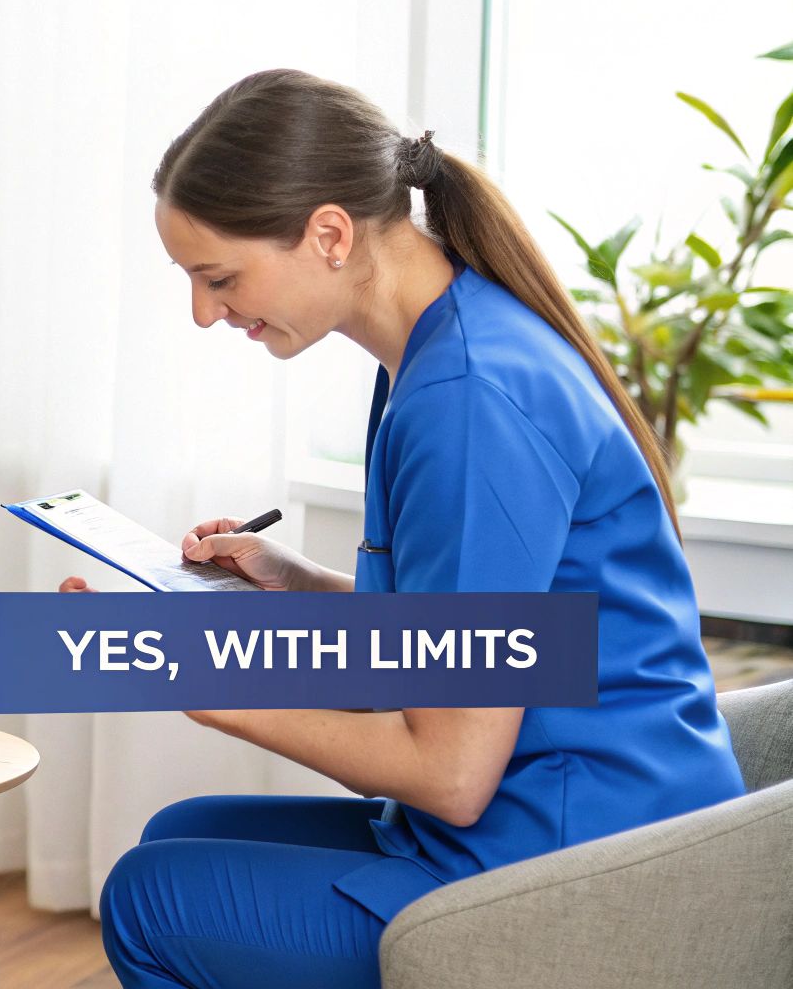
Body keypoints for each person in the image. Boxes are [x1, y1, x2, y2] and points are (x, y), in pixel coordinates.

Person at [75, 70, 747, 989]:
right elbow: (473, 643)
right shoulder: (438, 358)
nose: (203, 311)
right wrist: (299, 587)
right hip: (559, 813)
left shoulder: (467, 400)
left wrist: (204, 677)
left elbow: (451, 771)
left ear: (329, 233)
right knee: (181, 835)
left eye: (218, 276)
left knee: (152, 894)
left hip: (576, 862)